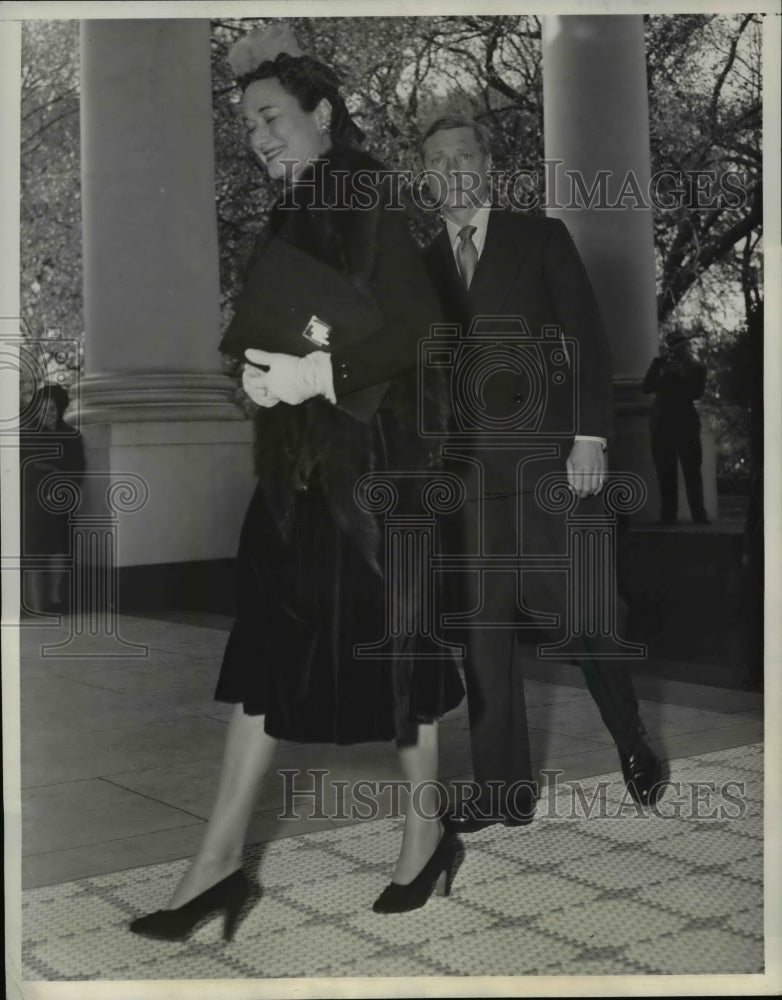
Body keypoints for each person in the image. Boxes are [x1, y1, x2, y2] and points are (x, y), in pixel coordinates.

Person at [129, 26, 464, 942]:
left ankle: (424, 830)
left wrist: (317, 378)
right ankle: (218, 866)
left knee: (402, 649)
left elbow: (419, 333)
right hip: (300, 475)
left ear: (324, 115)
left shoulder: (364, 193)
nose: (260, 139)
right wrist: (261, 376)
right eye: (247, 129)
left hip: (372, 477)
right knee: (267, 650)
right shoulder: (298, 211)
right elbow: (301, 328)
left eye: (272, 118)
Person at [419, 114, 665, 833]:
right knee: (483, 634)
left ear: (487, 164)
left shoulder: (540, 236)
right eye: (437, 159)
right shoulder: (425, 264)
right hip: (470, 478)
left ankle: (631, 738)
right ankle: (503, 791)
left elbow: (587, 335)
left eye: (465, 153)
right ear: (426, 177)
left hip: (556, 464)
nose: (452, 167)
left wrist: (590, 437)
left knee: (590, 615)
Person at [20, 382, 85, 614]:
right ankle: (34, 604)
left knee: (59, 549)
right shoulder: (26, 436)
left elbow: (77, 470)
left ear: (60, 409)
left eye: (53, 409)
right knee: (33, 551)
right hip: (32, 503)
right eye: (44, 409)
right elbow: (20, 470)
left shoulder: (72, 436)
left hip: (60, 502)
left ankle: (55, 599)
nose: (49, 413)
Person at [642, 332, 709, 525]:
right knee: (665, 473)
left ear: (686, 347)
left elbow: (696, 393)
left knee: (692, 472)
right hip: (662, 426)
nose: (677, 352)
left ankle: (699, 514)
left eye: (680, 347)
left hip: (686, 426)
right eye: (674, 348)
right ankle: (668, 515)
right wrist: (658, 364)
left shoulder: (697, 368)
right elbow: (646, 387)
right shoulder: (661, 366)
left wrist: (679, 375)